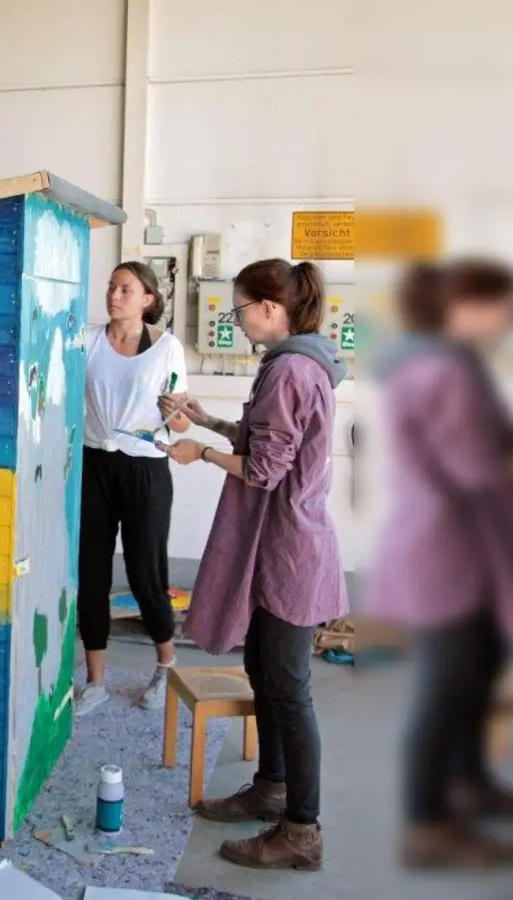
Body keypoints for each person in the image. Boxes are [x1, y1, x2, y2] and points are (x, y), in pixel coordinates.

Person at [365, 259, 513, 870]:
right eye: (505, 307)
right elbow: (479, 469)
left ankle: (471, 786)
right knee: (449, 685)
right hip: (449, 549)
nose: (511, 319)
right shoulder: (445, 371)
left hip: (454, 542)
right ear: (463, 306)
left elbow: (488, 439)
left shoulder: (435, 363)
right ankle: (428, 823)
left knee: (481, 665)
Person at [159, 258, 346, 871]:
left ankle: (302, 829)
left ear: (270, 307)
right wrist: (205, 418)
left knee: (289, 687)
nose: (235, 321)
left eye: (238, 310)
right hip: (281, 546)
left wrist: (199, 452)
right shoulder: (296, 362)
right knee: (265, 673)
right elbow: (263, 437)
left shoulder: (291, 368)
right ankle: (271, 787)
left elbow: (264, 470)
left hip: (290, 549)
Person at [74, 260, 191, 717]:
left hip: (145, 469)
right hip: (94, 463)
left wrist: (175, 411)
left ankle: (165, 666)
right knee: (91, 574)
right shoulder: (86, 340)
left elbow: (180, 421)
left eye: (125, 288)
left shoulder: (167, 349)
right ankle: (96, 681)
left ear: (147, 299)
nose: (114, 295)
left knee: (146, 574)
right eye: (111, 287)